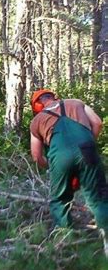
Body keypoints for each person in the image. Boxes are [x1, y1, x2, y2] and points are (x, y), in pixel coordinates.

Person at [30, 89, 108, 256]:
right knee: (98, 197)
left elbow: (36, 156)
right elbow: (98, 123)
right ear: (54, 97)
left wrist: (53, 168)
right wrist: (87, 146)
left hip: (59, 157)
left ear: (37, 105)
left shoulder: (37, 120)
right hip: (87, 149)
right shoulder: (76, 102)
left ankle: (67, 246)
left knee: (60, 200)